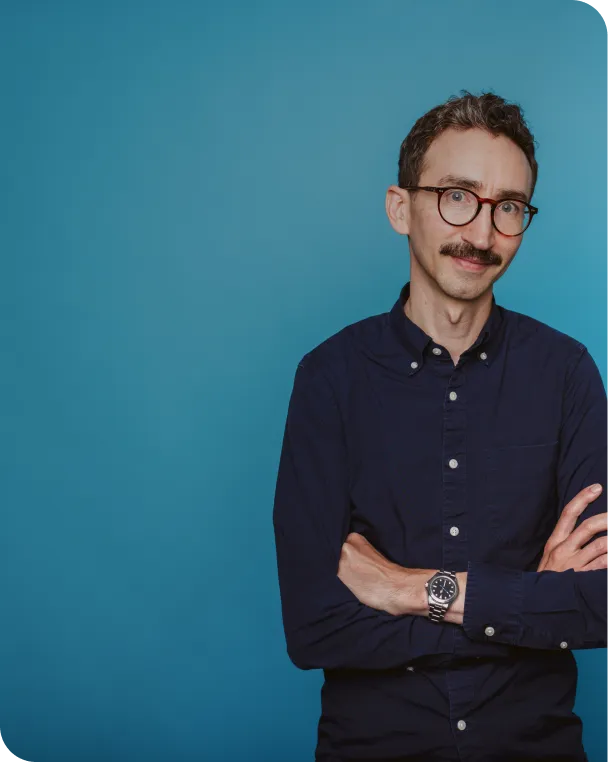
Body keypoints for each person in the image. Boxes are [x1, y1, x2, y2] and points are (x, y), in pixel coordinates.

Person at [272, 90, 608, 762]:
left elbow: (597, 605)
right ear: (401, 208)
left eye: (508, 207)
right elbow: (314, 628)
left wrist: (405, 589)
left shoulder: (567, 373)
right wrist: (524, 607)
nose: (482, 234)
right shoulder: (329, 379)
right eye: (457, 196)